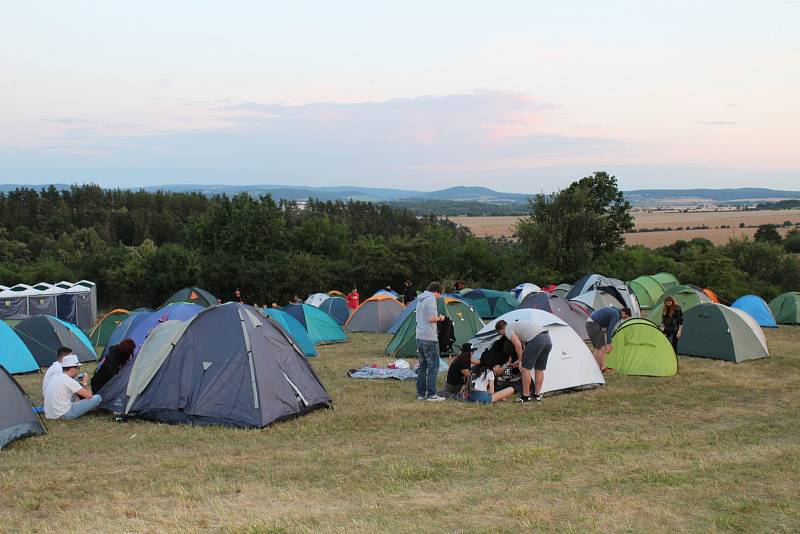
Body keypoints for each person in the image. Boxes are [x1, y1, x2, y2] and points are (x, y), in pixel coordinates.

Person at [495, 319, 552, 402]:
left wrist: (521, 361)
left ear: (501, 330)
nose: (501, 334)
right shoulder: (516, 326)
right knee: (539, 369)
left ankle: (525, 397)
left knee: (525, 369)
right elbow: (525, 347)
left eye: (499, 333)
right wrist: (519, 359)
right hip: (547, 339)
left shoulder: (508, 330)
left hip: (536, 340)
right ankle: (537, 396)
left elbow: (518, 345)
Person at [43, 354, 101, 420]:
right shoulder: (69, 380)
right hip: (64, 414)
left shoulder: (56, 376)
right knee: (97, 398)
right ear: (72, 369)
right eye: (78, 368)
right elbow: (89, 395)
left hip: (49, 414)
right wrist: (85, 383)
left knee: (74, 397)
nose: (78, 371)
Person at [415, 281, 447, 401]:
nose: (439, 297)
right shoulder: (431, 299)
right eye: (440, 294)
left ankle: (421, 394)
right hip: (429, 337)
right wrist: (440, 318)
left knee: (423, 366)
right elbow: (430, 318)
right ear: (437, 291)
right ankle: (432, 395)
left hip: (420, 336)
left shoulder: (420, 299)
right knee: (433, 366)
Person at [586, 306, 632, 372]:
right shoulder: (616, 315)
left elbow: (608, 327)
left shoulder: (616, 312)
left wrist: (609, 343)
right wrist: (609, 343)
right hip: (592, 324)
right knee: (601, 348)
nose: (624, 319)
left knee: (598, 348)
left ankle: (595, 367)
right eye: (626, 317)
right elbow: (610, 330)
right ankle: (603, 368)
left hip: (593, 324)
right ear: (623, 313)